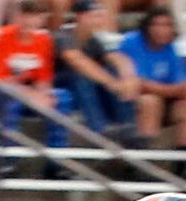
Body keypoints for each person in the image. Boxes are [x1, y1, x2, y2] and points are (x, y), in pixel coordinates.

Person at [0, 0, 69, 171]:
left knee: (62, 98)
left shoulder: (44, 40)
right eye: (26, 16)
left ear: (42, 19)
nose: (29, 22)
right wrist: (32, 95)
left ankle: (56, 162)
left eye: (35, 17)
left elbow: (43, 77)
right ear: (17, 17)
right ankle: (6, 159)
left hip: (22, 90)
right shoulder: (3, 36)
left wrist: (44, 94)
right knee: (10, 97)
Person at [58, 0, 139, 142]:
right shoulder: (63, 36)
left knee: (113, 71)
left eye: (101, 16)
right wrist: (111, 83)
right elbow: (77, 61)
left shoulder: (94, 41)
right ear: (80, 17)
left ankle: (129, 127)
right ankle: (99, 129)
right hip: (64, 89)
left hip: (87, 90)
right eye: (95, 16)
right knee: (81, 75)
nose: (100, 21)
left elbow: (117, 58)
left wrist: (129, 77)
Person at [121, 7, 186, 153]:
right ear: (147, 26)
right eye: (157, 25)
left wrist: (181, 90)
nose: (162, 30)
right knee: (150, 101)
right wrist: (173, 90)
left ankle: (183, 166)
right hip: (128, 103)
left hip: (164, 99)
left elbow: (183, 86)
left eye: (167, 25)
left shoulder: (171, 48)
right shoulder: (131, 43)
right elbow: (139, 84)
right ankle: (143, 161)